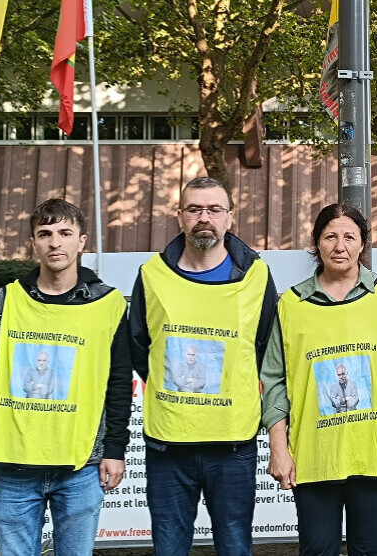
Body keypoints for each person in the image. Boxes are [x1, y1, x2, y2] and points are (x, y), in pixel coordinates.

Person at [0, 199, 131, 556]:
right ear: (34, 243)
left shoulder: (110, 304)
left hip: (81, 466)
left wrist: (115, 449)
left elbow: (118, 385)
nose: (55, 242)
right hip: (12, 466)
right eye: (45, 234)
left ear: (81, 241)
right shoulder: (2, 303)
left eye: (65, 233)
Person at [263, 203, 377, 556]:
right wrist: (279, 447)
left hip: (375, 451)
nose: (340, 246)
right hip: (313, 455)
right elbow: (274, 379)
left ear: (363, 244)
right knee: (317, 550)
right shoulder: (290, 304)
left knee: (371, 549)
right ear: (316, 243)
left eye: (350, 237)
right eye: (331, 236)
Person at [128, 176, 278, 556]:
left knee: (234, 547)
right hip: (168, 443)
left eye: (214, 209)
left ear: (230, 217)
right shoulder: (152, 274)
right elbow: (140, 346)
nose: (204, 217)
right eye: (194, 209)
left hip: (232, 442)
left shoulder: (256, 276)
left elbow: (264, 348)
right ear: (180, 217)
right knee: (169, 548)